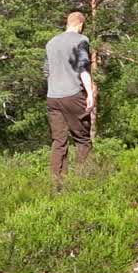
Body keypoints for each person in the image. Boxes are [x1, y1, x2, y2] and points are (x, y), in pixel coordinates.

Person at [44, 11, 96, 184]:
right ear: (80, 24)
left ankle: (58, 183)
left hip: (52, 96)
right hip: (73, 95)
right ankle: (84, 181)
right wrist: (90, 93)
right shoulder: (81, 40)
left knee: (58, 141)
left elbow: (45, 71)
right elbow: (83, 67)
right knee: (82, 139)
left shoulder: (51, 43)